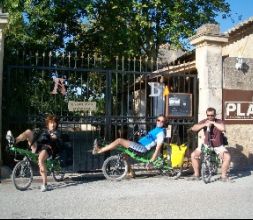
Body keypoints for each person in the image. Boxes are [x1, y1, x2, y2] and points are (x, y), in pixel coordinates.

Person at [92, 115, 167, 167]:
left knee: (119, 141)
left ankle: (99, 150)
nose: (160, 122)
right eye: (158, 120)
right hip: (139, 145)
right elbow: (150, 138)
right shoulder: (156, 129)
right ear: (156, 120)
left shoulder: (161, 133)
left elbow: (158, 147)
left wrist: (152, 161)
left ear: (164, 123)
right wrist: (140, 134)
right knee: (124, 154)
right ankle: (130, 172)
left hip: (142, 148)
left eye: (162, 121)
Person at [14, 115, 62, 192]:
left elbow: (54, 137)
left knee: (40, 159)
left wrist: (51, 135)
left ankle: (45, 184)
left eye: (54, 123)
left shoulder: (57, 132)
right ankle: (14, 141)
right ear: (48, 124)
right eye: (51, 123)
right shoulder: (43, 130)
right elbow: (36, 136)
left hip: (48, 147)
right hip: (38, 146)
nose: (53, 124)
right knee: (28, 132)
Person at [190, 107, 231, 182]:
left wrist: (213, 123)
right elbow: (193, 128)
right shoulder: (204, 121)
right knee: (193, 155)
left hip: (218, 146)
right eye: (208, 115)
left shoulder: (219, 121)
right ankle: (196, 175)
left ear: (215, 115)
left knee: (227, 157)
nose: (210, 117)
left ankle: (223, 176)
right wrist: (204, 125)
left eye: (212, 115)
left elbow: (223, 128)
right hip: (206, 144)